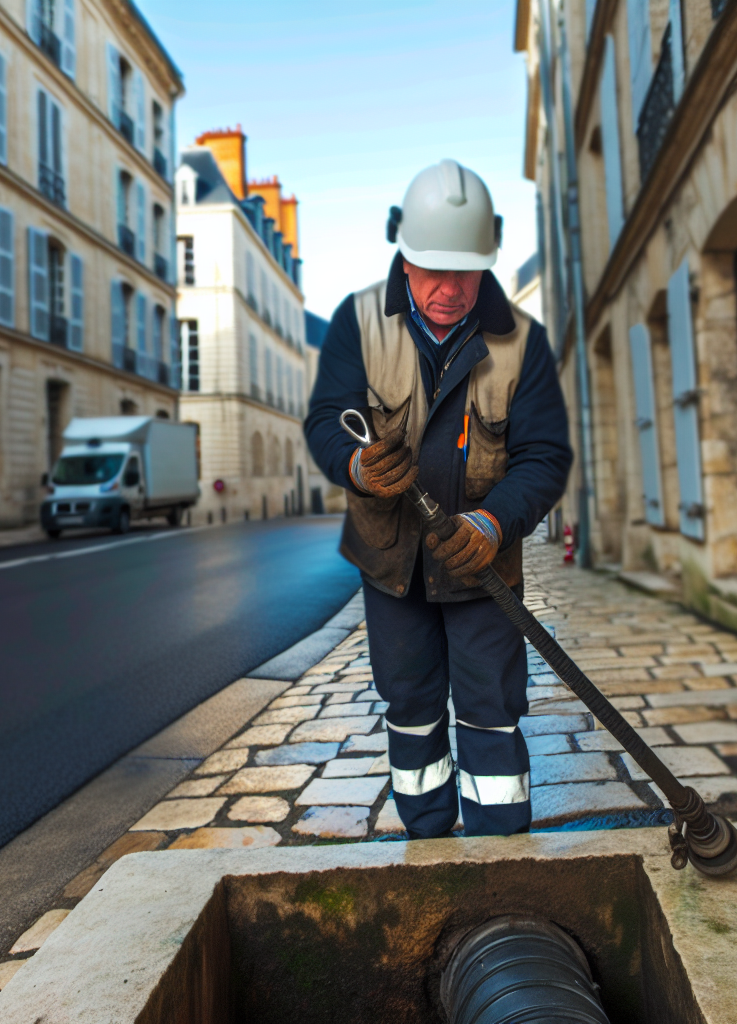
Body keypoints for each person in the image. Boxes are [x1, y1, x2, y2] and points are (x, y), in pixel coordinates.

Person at [305, 159, 572, 839]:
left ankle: (501, 851)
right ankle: (426, 843)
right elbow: (326, 423)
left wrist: (493, 520)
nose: (450, 290)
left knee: (490, 707)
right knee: (411, 705)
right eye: (432, 271)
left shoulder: (521, 345)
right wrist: (359, 465)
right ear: (403, 254)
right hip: (393, 568)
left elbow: (544, 457)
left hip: (483, 570)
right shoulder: (357, 324)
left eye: (466, 271)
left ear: (488, 261)